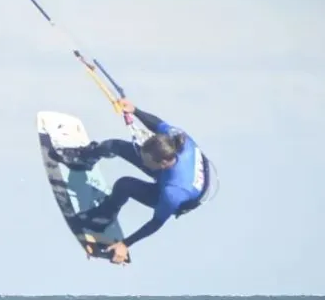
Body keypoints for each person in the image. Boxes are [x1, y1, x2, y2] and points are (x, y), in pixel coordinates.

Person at [51, 97, 213, 264]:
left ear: (162, 164)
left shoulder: (173, 193)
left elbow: (156, 223)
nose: (143, 161)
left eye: (147, 160)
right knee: (114, 145)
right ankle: (84, 159)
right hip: (174, 171)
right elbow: (157, 124)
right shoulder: (177, 139)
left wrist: (125, 244)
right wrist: (134, 110)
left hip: (184, 194)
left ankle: (103, 217)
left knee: (125, 185)